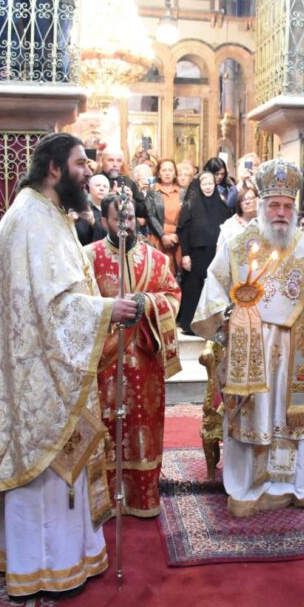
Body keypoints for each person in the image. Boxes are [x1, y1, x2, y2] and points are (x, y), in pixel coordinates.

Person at [0, 133, 138, 599]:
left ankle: (54, 556)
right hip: (41, 371)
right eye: (80, 164)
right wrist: (104, 311)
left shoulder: (44, 213)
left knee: (55, 472)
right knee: (44, 475)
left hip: (45, 362)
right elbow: (52, 307)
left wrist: (96, 306)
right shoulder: (32, 220)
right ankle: (47, 566)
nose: (88, 172)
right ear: (55, 168)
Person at [191, 158, 304, 517]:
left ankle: (293, 485)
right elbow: (213, 290)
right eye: (274, 205)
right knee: (252, 414)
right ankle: (247, 488)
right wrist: (229, 317)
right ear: (260, 205)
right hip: (250, 349)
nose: (281, 213)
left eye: (287, 206)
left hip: (293, 352)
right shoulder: (238, 246)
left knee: (290, 418)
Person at [87, 195, 182, 517]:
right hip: (103, 361)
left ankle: (142, 498)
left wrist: (145, 303)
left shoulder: (157, 260)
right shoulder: (87, 257)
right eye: (117, 220)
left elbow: (172, 297)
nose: (124, 225)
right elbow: (76, 306)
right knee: (104, 425)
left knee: (142, 423)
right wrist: (106, 312)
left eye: (129, 219)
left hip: (143, 358)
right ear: (104, 222)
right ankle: (104, 498)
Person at [177, 171, 229, 333]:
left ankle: (211, 326)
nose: (207, 187)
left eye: (210, 184)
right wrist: (185, 254)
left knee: (213, 289)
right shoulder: (190, 205)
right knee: (193, 289)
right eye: (204, 184)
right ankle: (190, 325)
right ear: (199, 186)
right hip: (194, 254)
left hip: (215, 254)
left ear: (215, 185)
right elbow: (183, 231)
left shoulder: (222, 206)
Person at [147, 157, 184, 276]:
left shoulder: (182, 192)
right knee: (158, 273)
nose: (167, 173)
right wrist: (163, 236)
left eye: (170, 170)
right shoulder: (152, 191)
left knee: (176, 275)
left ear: (175, 173)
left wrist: (178, 235)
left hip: (177, 237)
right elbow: (150, 215)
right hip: (158, 237)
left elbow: (187, 217)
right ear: (158, 173)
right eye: (164, 170)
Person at [72, 174, 109, 246]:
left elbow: (110, 237)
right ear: (90, 188)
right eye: (98, 185)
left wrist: (93, 222)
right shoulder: (82, 208)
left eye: (105, 187)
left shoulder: (111, 211)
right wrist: (71, 221)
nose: (101, 188)